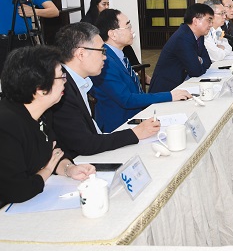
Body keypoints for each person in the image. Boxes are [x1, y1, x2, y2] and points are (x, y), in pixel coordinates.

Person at [0, 46, 95, 205]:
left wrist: (69, 169)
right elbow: (18, 191)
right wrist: (47, 170)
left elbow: (54, 153)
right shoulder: (6, 125)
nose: (65, 81)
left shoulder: (43, 113)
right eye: (61, 77)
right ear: (40, 89)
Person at [50, 23, 160, 157]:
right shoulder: (61, 90)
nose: (105, 57)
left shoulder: (78, 81)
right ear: (81, 54)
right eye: (102, 50)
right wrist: (135, 133)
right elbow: (85, 144)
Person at [91, 9, 191, 133]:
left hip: (136, 116)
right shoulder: (104, 61)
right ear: (113, 34)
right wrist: (169, 95)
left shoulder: (117, 55)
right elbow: (127, 99)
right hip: (119, 126)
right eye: (128, 27)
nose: (132, 31)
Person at [149, 3, 214, 93]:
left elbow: (208, 62)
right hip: (166, 89)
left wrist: (199, 60)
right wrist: (197, 62)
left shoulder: (199, 36)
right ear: (195, 21)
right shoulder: (182, 37)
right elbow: (196, 71)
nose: (211, 25)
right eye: (209, 20)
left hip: (182, 84)